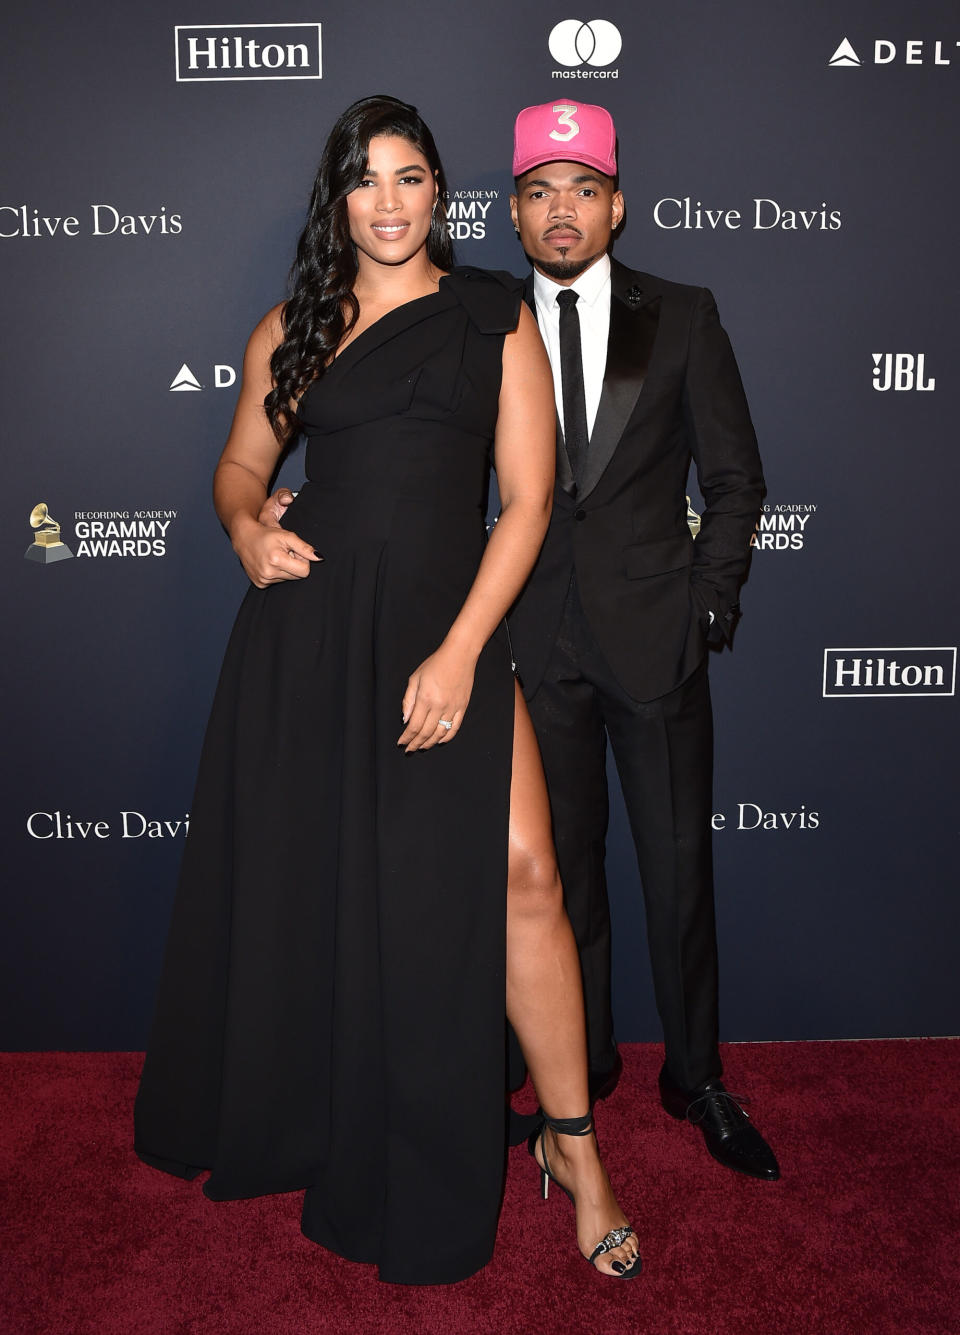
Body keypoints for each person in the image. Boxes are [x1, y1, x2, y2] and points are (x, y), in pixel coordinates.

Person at [134, 95, 641, 1285]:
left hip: (443, 628)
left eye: (410, 177)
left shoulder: (490, 318)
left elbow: (524, 504)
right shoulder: (291, 327)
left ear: (441, 193)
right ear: (339, 201)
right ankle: (327, 1115)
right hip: (310, 640)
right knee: (328, 889)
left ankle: (577, 1150)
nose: (389, 202)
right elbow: (242, 464)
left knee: (524, 875)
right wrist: (244, 530)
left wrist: (464, 650)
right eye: (365, 181)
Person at [504, 101, 779, 1181]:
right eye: (539, 192)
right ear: (514, 213)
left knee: (676, 874)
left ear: (618, 203)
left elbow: (735, 476)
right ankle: (588, 1067)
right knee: (563, 883)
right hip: (534, 644)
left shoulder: (684, 314)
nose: (560, 211)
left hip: (655, 639)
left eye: (580, 189)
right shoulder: (485, 320)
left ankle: (697, 1076)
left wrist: (710, 600)